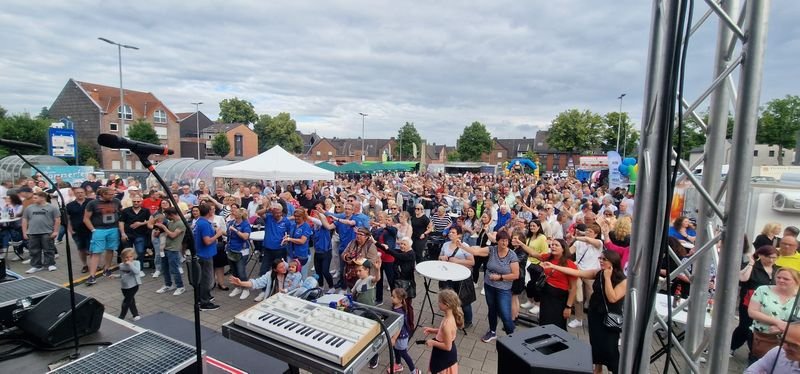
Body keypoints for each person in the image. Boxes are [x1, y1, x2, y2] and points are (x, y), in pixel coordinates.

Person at [542, 250, 627, 374]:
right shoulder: (599, 272)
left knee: (610, 347)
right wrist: (554, 266)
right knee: (596, 343)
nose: (601, 261)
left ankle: (615, 370)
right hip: (595, 314)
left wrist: (607, 278)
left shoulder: (623, 280)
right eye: (600, 258)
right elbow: (578, 272)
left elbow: (612, 298)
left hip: (609, 317)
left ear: (612, 262)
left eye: (604, 259)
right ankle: (597, 369)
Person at [460, 230, 519, 342]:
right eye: (502, 241)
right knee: (492, 310)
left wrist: (500, 277)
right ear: (497, 241)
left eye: (506, 241)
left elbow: (516, 275)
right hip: (489, 286)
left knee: (505, 314)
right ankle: (492, 332)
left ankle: (512, 338)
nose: (504, 243)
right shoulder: (492, 250)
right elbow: (476, 252)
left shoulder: (512, 255)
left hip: (503, 289)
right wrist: (461, 246)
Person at [732, 245, 780, 356]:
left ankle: (754, 351)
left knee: (757, 328)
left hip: (768, 303)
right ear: (760, 255)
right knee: (744, 326)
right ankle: (733, 346)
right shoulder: (752, 266)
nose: (771, 260)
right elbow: (743, 279)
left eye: (774, 257)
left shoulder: (777, 269)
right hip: (749, 301)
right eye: (768, 257)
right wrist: (751, 263)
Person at [748, 268, 800, 361]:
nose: (781, 280)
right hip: (763, 338)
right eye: (778, 277)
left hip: (790, 343)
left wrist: (785, 328)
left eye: (786, 279)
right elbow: (752, 312)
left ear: (797, 281)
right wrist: (778, 322)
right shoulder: (763, 290)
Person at [527, 238, 578, 331]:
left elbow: (573, 288)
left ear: (563, 248)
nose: (553, 247)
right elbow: (534, 254)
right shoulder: (549, 257)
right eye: (552, 245)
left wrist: (568, 307)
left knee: (556, 323)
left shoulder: (570, 265)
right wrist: (521, 244)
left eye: (556, 245)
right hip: (546, 295)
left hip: (559, 298)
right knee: (544, 320)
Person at [567, 222, 604, 329]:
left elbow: (588, 240)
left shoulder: (598, 243)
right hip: (578, 272)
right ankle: (579, 319)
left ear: (596, 234)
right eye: (587, 230)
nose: (588, 233)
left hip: (591, 274)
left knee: (592, 299)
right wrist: (567, 243)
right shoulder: (578, 243)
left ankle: (595, 320)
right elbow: (569, 253)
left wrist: (575, 237)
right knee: (578, 297)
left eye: (590, 231)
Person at [83, 187, 123, 285]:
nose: (112, 196)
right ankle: (92, 276)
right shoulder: (92, 203)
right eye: (110, 194)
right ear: (103, 194)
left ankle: (107, 269)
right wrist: (93, 230)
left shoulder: (116, 201)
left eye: (113, 194)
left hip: (113, 229)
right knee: (96, 252)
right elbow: (86, 218)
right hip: (99, 230)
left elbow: (122, 212)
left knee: (110, 249)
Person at [439, 226, 476, 328]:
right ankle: (452, 318)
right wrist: (442, 258)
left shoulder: (464, 246)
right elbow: (439, 257)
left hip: (462, 278)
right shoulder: (445, 245)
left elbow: (472, 262)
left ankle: (468, 321)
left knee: (464, 301)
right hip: (448, 276)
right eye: (450, 232)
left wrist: (458, 261)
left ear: (459, 235)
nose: (450, 234)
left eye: (453, 232)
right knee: (449, 299)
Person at [255, 202, 293, 302]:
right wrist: (267, 208)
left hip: (280, 250)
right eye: (275, 212)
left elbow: (289, 234)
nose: (277, 215)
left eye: (279, 212)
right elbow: (258, 213)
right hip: (267, 249)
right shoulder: (268, 217)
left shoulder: (286, 221)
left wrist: (287, 238)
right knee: (263, 270)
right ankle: (263, 291)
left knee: (280, 271)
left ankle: (279, 290)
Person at [422, 289, 462, 374]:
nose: (438, 303)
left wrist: (433, 342)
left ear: (446, 305)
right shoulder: (449, 316)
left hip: (444, 358)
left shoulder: (447, 324)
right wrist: (432, 330)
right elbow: (443, 333)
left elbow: (448, 347)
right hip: (443, 354)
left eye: (439, 301)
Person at [192, 203, 224, 310]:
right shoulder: (204, 224)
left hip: (203, 253)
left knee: (204, 278)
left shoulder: (200, 222)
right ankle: (204, 303)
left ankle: (204, 296)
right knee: (207, 279)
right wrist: (218, 234)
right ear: (209, 212)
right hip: (205, 255)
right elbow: (207, 241)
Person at [22, 191, 60, 273]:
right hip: (32, 232)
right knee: (34, 250)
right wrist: (24, 232)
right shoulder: (29, 208)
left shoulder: (52, 208)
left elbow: (57, 219)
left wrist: (56, 231)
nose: (33, 199)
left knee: (48, 249)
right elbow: (24, 220)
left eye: (36, 198)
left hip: (47, 231)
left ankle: (50, 264)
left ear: (43, 198)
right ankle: (36, 265)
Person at [154, 208, 188, 297]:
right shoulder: (171, 222)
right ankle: (168, 285)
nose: (166, 217)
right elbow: (165, 234)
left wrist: (164, 227)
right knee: (165, 268)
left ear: (171, 214)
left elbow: (173, 235)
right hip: (165, 248)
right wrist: (158, 232)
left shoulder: (181, 223)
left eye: (167, 215)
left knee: (174, 269)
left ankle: (180, 286)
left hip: (173, 249)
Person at [386, 237, 418, 330]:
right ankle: (397, 323)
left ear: (409, 246)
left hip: (407, 284)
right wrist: (377, 243)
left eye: (404, 244)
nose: (402, 246)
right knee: (396, 303)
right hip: (398, 282)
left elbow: (396, 255)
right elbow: (392, 251)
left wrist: (387, 249)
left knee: (407, 305)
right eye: (401, 244)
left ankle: (410, 326)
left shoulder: (410, 254)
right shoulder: (401, 251)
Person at [519, 219, 548, 315]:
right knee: (528, 284)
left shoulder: (542, 238)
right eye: (530, 226)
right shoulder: (529, 237)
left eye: (534, 226)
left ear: (539, 227)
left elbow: (545, 253)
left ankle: (537, 304)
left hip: (536, 264)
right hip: (527, 262)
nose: (532, 228)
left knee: (535, 285)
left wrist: (541, 263)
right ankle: (530, 301)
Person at [389, 288, 420, 374]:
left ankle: (414, 370)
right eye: (392, 295)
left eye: (393, 297)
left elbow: (399, 327)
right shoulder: (396, 306)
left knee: (403, 353)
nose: (391, 297)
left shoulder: (399, 312)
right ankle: (398, 364)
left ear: (400, 300)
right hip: (397, 335)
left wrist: (394, 338)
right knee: (396, 350)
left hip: (401, 336)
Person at [372, 211, 397, 305]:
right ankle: (379, 299)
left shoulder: (393, 229)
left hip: (388, 258)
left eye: (388, 220)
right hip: (379, 257)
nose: (386, 221)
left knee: (391, 280)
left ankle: (395, 300)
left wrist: (384, 226)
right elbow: (374, 237)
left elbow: (393, 231)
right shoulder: (380, 230)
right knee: (379, 279)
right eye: (386, 219)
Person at [227, 207, 252, 300]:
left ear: (240, 214)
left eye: (236, 211)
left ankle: (246, 289)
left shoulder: (245, 224)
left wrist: (235, 230)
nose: (233, 212)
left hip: (242, 252)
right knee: (234, 271)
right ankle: (238, 287)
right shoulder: (231, 222)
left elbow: (245, 237)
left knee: (241, 271)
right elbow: (227, 234)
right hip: (231, 250)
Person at [310, 205, 335, 291]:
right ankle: (321, 286)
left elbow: (320, 221)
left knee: (325, 271)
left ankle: (331, 287)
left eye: (317, 215)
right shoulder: (314, 227)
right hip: (317, 252)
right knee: (318, 271)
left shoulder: (324, 226)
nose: (315, 216)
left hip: (326, 252)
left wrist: (309, 216)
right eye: (315, 215)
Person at [118, 195, 151, 263]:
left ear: (141, 202)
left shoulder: (146, 210)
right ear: (132, 202)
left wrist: (140, 223)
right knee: (127, 252)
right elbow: (121, 222)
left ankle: (140, 268)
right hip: (128, 234)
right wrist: (123, 233)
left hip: (140, 234)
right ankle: (128, 269)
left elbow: (151, 220)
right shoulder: (126, 211)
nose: (136, 203)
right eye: (134, 201)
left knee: (140, 251)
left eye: (138, 201)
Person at [118, 247, 143, 321]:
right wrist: (115, 276)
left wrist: (130, 264)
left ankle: (121, 316)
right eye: (126, 257)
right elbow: (122, 275)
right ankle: (135, 315)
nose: (129, 258)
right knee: (131, 300)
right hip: (124, 286)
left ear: (133, 256)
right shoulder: (121, 265)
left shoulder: (136, 263)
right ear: (123, 257)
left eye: (131, 256)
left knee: (126, 301)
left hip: (134, 285)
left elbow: (137, 272)